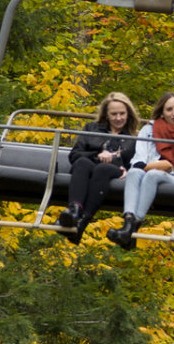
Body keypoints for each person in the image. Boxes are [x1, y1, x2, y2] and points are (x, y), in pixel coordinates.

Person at [109, 92, 174, 248]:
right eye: (169, 109)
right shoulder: (148, 130)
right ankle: (129, 221)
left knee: (152, 175)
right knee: (134, 172)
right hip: (148, 169)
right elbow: (139, 159)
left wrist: (165, 167)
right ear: (162, 112)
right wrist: (158, 164)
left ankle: (133, 227)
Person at [59, 92, 140, 243]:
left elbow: (137, 162)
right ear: (106, 115)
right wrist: (98, 155)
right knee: (83, 163)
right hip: (89, 168)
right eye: (114, 114)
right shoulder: (91, 128)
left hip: (115, 172)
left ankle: (82, 223)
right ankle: (74, 211)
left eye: (122, 114)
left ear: (128, 114)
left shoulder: (134, 137)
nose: (118, 118)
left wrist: (120, 164)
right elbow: (75, 155)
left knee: (102, 169)